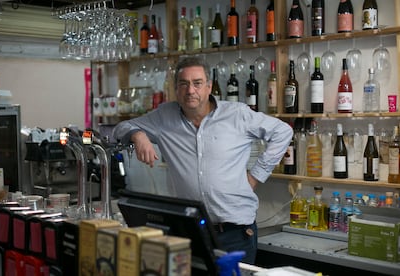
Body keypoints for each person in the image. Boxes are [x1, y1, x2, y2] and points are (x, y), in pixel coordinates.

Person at [112, 56, 293, 264]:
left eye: (197, 83)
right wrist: (138, 135)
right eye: (184, 84)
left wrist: (255, 176)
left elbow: (283, 131)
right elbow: (120, 128)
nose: (190, 91)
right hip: (191, 230)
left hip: (235, 233)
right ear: (176, 89)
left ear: (208, 87)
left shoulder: (237, 115)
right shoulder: (164, 117)